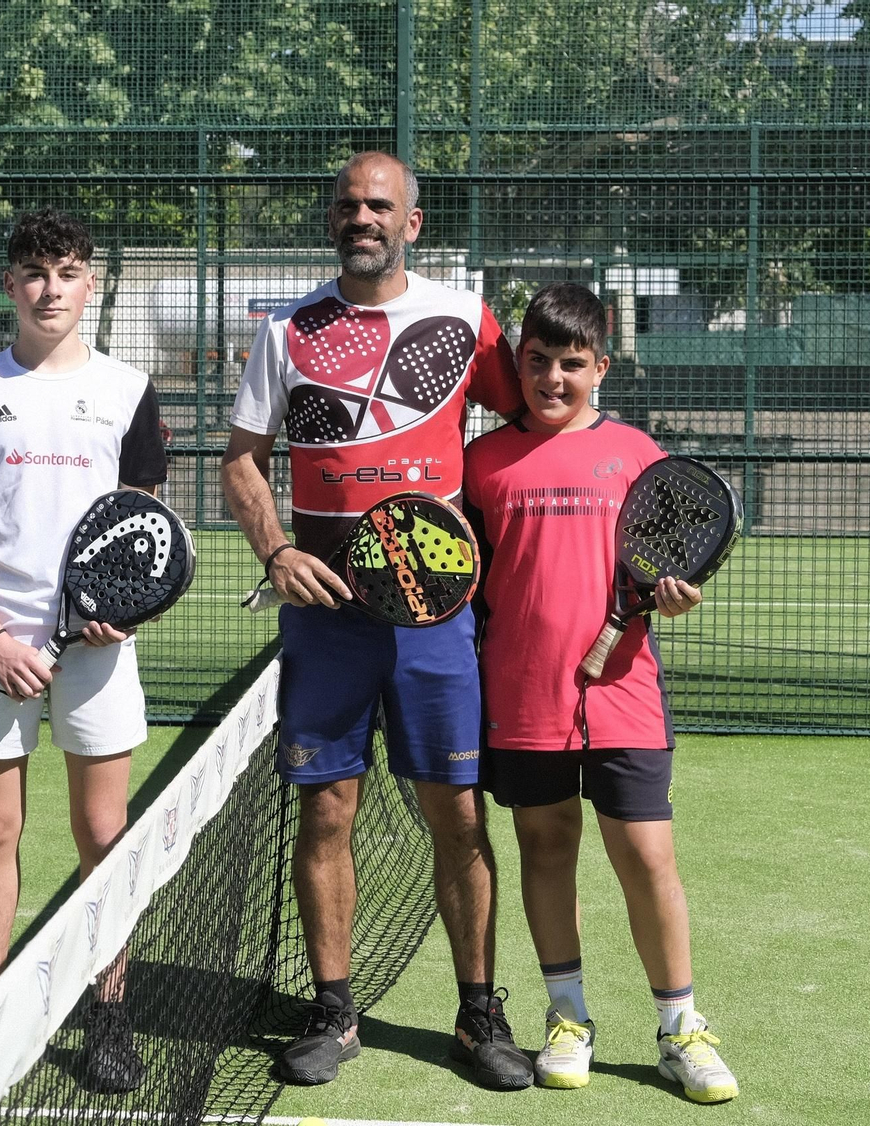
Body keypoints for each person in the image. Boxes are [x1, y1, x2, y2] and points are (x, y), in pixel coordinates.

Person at [219, 152, 531, 1090]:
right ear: (332, 221)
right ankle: (335, 1010)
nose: (363, 217)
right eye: (350, 205)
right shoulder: (285, 330)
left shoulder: (466, 321)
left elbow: (523, 426)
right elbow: (243, 462)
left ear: (413, 223)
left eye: (380, 206)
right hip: (328, 615)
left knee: (459, 813)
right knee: (327, 808)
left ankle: (480, 1015)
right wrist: (276, 552)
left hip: (437, 615)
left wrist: (496, 541)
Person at [461, 281, 737, 1102]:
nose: (552, 379)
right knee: (546, 850)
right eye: (538, 362)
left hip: (624, 697)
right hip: (521, 695)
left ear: (601, 368)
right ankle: (568, 1015)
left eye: (571, 365)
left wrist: (673, 596)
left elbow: (663, 571)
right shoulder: (484, 462)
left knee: (648, 860)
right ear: (519, 363)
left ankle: (680, 1028)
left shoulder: (639, 455)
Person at [0, 207, 168, 1093]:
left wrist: (117, 611)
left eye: (66, 271)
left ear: (89, 281)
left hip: (97, 652)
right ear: (10, 284)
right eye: (33, 273)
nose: (49, 289)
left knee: (104, 833)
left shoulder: (129, 391)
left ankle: (109, 1010)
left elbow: (138, 530)